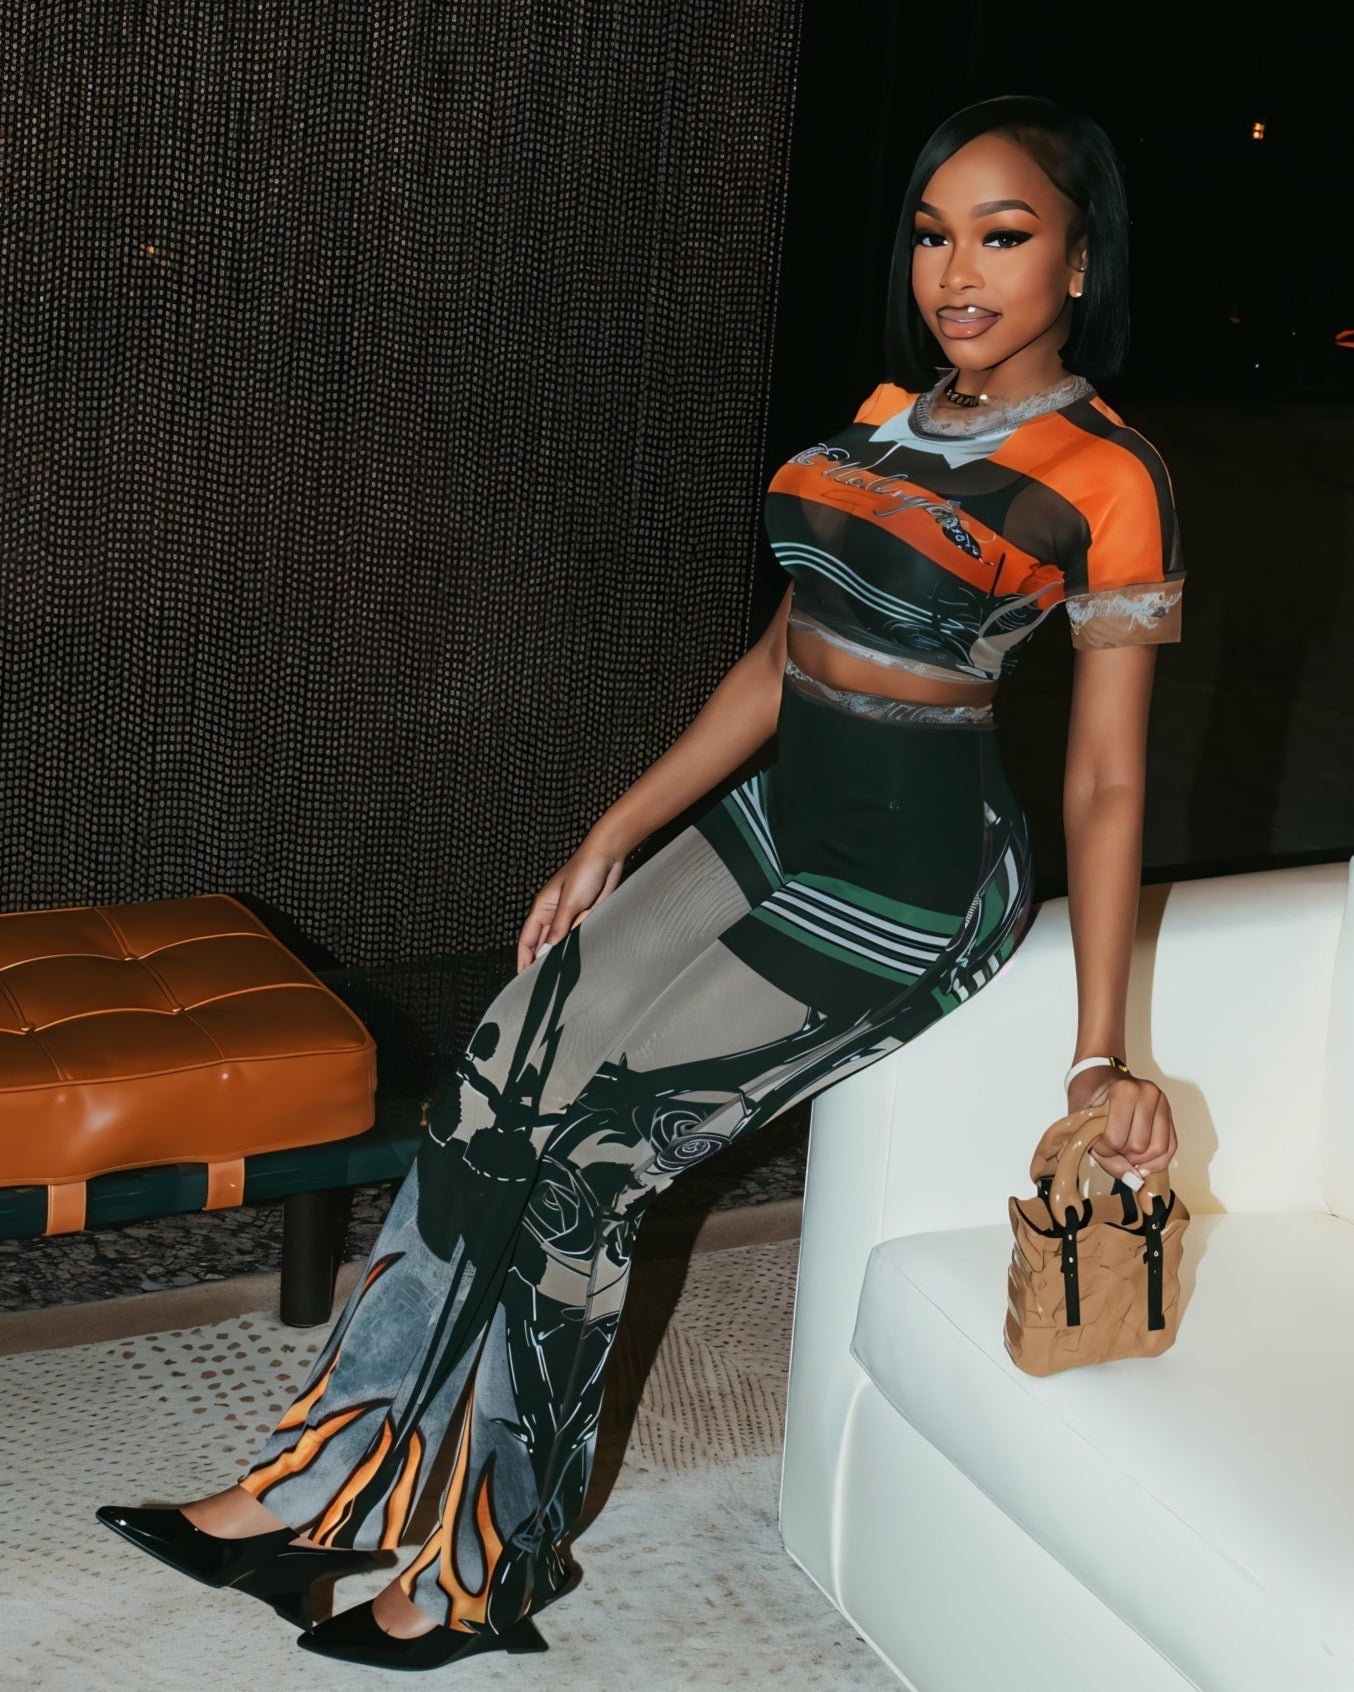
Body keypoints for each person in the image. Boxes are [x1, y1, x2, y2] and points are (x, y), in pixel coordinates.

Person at [97, 92, 1184, 1671]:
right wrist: (611, 832)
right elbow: (775, 661)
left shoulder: (1109, 475)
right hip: (774, 817)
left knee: (590, 1161)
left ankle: (490, 1563)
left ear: (1077, 260)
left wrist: (1098, 1050)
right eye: (932, 235)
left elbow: (1104, 778)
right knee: (497, 1075)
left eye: (1002, 236)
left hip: (912, 877)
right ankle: (315, 1490)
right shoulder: (882, 417)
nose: (957, 272)